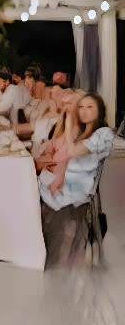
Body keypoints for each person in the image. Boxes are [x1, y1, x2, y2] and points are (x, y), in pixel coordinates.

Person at [36, 94, 114, 267]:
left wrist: (70, 119)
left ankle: (51, 259)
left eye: (90, 107)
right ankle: (44, 254)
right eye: (81, 107)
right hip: (70, 183)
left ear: (100, 111)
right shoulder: (86, 131)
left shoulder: (103, 133)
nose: (84, 111)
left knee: (32, 196)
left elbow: (71, 153)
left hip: (78, 189)